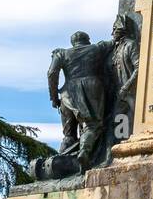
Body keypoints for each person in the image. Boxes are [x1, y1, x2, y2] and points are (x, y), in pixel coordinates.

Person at [47, 31, 110, 170]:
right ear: (87, 40)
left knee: (68, 134)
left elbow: (52, 73)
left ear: (73, 43)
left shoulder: (61, 53)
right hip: (91, 88)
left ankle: (61, 165)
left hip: (67, 94)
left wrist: (54, 98)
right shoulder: (97, 48)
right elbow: (114, 42)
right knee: (92, 125)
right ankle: (84, 152)